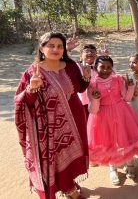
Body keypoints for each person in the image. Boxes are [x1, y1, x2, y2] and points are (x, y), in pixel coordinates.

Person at [15, 32, 91, 199]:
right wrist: (32, 89)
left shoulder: (70, 66)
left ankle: (69, 186)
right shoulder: (32, 72)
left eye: (59, 46)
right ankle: (69, 190)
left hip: (75, 119)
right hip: (48, 127)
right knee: (53, 160)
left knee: (70, 157)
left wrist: (86, 78)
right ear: (42, 48)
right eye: (51, 45)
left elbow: (79, 89)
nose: (56, 49)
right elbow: (22, 103)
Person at [87, 56, 138, 185]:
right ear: (96, 67)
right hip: (103, 117)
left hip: (122, 113)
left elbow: (127, 98)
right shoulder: (92, 84)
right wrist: (96, 99)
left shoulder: (118, 80)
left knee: (126, 140)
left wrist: (130, 87)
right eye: (102, 67)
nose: (105, 70)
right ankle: (113, 169)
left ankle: (130, 165)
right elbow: (93, 110)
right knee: (111, 143)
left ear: (112, 68)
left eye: (108, 67)